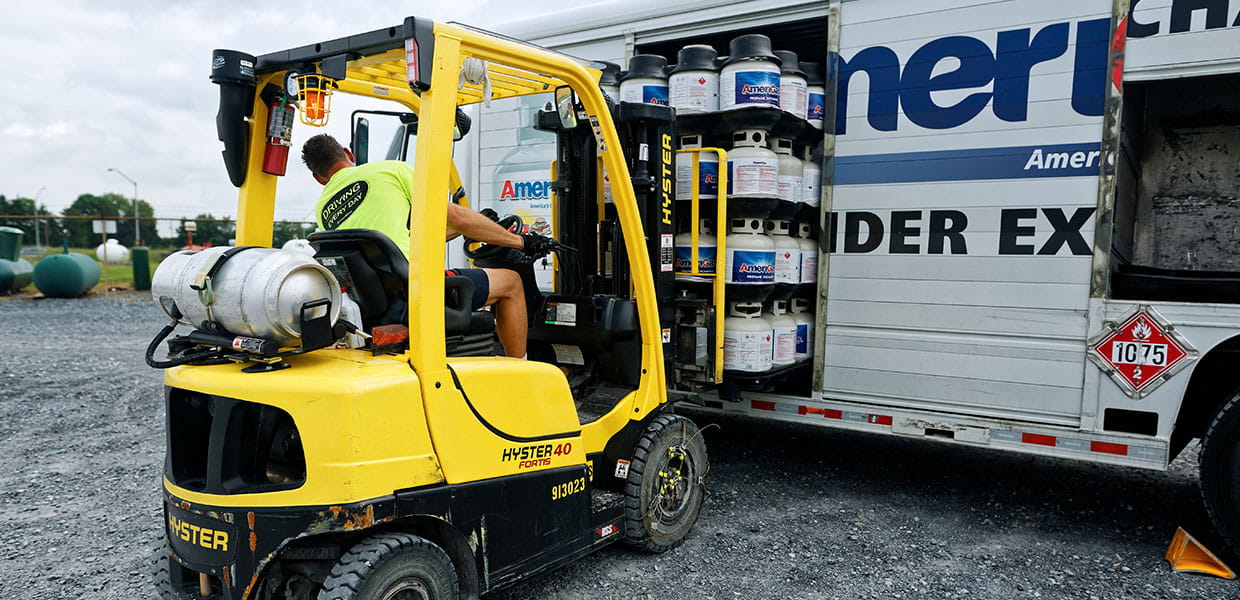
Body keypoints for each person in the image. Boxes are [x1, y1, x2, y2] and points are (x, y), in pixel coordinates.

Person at [301, 134, 552, 358]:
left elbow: (394, 246)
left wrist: (476, 227)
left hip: (378, 301)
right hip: (419, 290)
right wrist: (522, 241)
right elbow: (457, 216)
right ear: (348, 153)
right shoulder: (390, 170)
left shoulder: (322, 208)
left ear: (318, 178)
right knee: (511, 282)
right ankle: (521, 369)